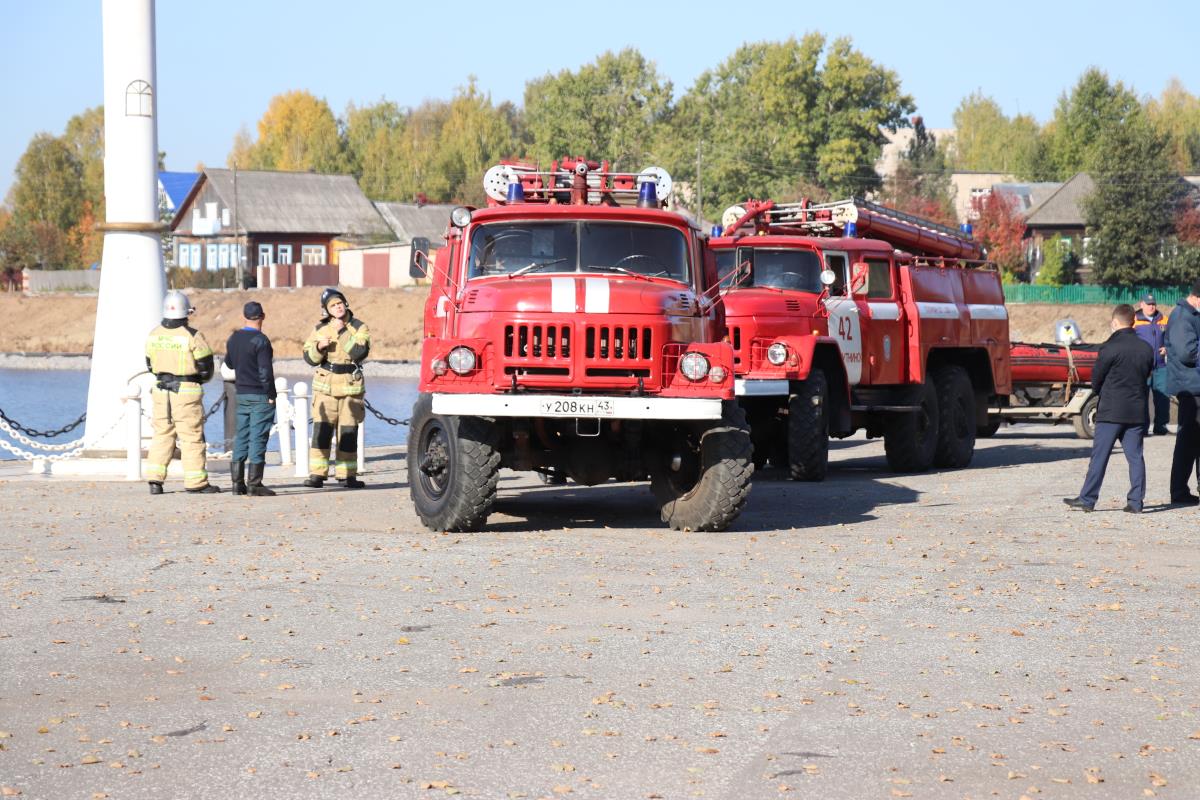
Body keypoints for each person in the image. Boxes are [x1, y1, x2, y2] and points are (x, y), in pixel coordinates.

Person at [1063, 304, 1154, 513]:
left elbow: (1096, 380)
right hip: (1137, 411)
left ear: (1114, 322)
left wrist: (1101, 391)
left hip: (1111, 412)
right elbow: (1147, 375)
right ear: (1133, 321)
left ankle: (1087, 499)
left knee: (1100, 457)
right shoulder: (1146, 348)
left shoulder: (1109, 348)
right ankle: (1136, 502)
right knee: (1135, 457)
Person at [144, 290, 220, 494]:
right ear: (186, 312)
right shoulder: (192, 336)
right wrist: (195, 380)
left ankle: (154, 480)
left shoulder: (154, 334)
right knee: (191, 437)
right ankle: (196, 482)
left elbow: (150, 365)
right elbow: (206, 369)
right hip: (186, 392)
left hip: (160, 391)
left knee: (162, 434)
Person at [302, 288, 370, 489]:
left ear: (345, 304)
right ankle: (317, 475)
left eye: (339, 303)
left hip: (350, 388)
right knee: (321, 432)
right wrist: (318, 348)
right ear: (326, 310)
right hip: (326, 388)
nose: (337, 307)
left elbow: (359, 352)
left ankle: (347, 475)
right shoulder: (320, 329)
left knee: (348, 433)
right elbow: (309, 358)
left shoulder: (359, 327)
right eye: (332, 305)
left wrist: (341, 331)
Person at [223, 301, 277, 497]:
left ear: (243, 317)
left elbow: (229, 363)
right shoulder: (261, 341)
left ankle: (237, 484)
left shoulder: (234, 338)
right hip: (259, 395)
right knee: (258, 437)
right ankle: (254, 483)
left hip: (241, 393)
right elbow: (265, 371)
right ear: (263, 316)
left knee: (242, 436)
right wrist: (271, 394)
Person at [1164, 278, 1200, 505]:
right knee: (1188, 440)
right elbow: (1188, 353)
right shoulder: (1181, 316)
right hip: (1189, 388)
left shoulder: (1192, 315)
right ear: (1197, 297)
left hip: (1196, 385)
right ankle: (1178, 491)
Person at [1133, 293, 1169, 435]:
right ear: (1141, 304)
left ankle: (1160, 426)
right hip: (1142, 367)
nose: (1151, 306)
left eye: (1153, 303)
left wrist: (1167, 348)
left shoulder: (1164, 320)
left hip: (1161, 366)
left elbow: (1171, 338)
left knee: (1163, 398)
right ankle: (1142, 427)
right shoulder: (1134, 320)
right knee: (1142, 397)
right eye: (1148, 304)